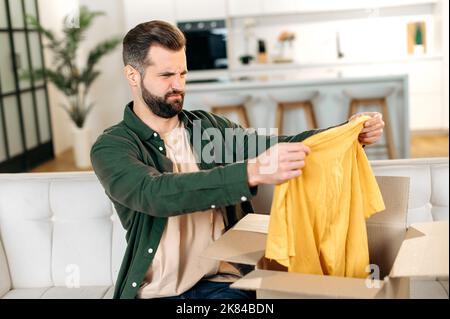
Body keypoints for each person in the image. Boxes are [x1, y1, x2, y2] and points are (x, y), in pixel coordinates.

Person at [90, 20, 385, 299]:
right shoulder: (113, 147)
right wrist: (250, 174)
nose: (178, 85)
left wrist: (346, 131)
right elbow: (154, 193)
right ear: (132, 75)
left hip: (222, 285)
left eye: (183, 74)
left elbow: (271, 145)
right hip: (157, 292)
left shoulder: (208, 129)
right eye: (166, 75)